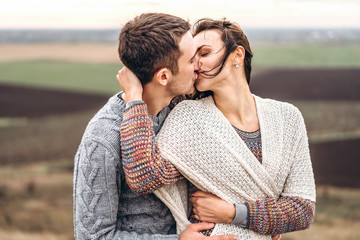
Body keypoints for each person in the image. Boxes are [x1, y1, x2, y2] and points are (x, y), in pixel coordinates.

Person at [118, 18, 316, 239]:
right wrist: (135, 100)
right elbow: (144, 176)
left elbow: (302, 210)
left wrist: (235, 213)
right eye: (192, 58)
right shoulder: (189, 117)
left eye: (204, 53)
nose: (196, 64)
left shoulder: (288, 117)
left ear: (237, 55)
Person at [73, 13, 237, 240]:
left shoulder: (185, 108)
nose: (198, 67)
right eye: (191, 61)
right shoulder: (103, 138)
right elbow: (93, 236)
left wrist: (251, 221)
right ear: (163, 76)